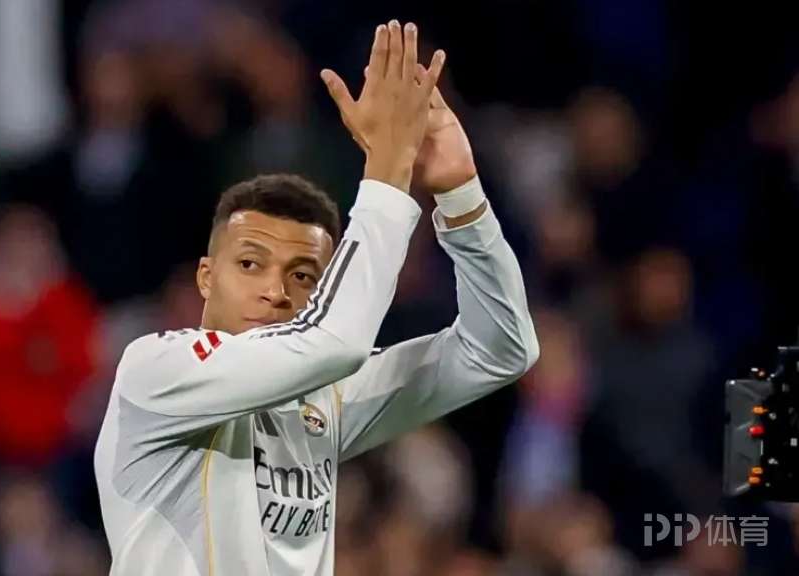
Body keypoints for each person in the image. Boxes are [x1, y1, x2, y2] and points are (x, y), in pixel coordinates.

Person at [94, 20, 539, 575]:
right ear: (206, 278)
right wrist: (388, 171)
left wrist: (459, 191)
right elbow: (335, 343)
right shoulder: (156, 370)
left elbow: (499, 350)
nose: (275, 291)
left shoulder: (325, 397)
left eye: (304, 276)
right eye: (250, 264)